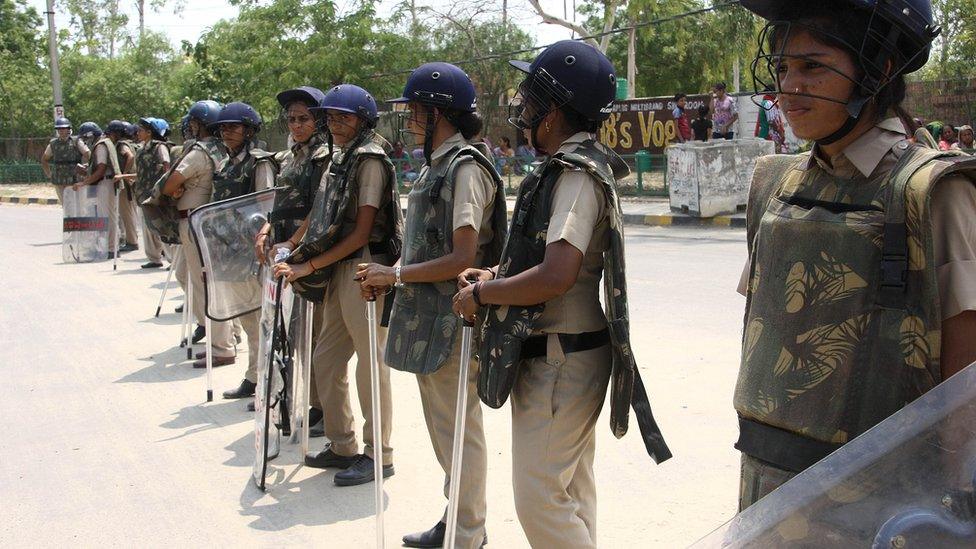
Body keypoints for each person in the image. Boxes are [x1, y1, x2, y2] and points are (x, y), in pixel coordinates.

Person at [734, 0, 976, 511]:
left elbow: (965, 369)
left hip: (885, 503)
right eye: (782, 67)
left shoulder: (931, 190)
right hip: (768, 481)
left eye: (812, 66)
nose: (789, 87)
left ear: (877, 69)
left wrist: (956, 500)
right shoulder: (773, 184)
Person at [453, 40, 671, 549]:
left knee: (539, 497)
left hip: (560, 362)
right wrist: (492, 276)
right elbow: (542, 264)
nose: (522, 111)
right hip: (565, 355)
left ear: (552, 112)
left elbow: (557, 275)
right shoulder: (571, 167)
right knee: (571, 488)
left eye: (529, 101)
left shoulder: (574, 176)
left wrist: (484, 298)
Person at [357, 62, 507, 549]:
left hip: (454, 324)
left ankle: (467, 534)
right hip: (430, 322)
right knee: (447, 433)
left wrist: (394, 273)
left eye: (416, 110)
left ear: (438, 111)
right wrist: (389, 273)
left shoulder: (464, 167)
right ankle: (458, 517)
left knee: (459, 431)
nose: (411, 119)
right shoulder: (437, 163)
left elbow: (463, 256)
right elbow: (426, 244)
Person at [272, 84, 401, 486]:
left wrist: (307, 265)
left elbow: (361, 229)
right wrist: (291, 243)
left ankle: (378, 453)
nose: (335, 123)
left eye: (344, 116)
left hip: (365, 268)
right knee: (326, 360)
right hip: (336, 267)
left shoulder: (370, 161)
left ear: (363, 119)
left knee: (370, 365)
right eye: (330, 116)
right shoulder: (339, 157)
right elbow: (321, 208)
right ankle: (343, 444)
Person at [203, 102, 277, 399]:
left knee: (261, 319)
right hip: (230, 253)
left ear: (248, 130)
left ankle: (265, 382)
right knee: (248, 320)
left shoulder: (259, 163)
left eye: (233, 127)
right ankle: (253, 376)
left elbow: (267, 206)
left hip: (253, 253)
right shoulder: (225, 163)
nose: (227, 132)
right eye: (222, 127)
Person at [162, 100, 234, 363]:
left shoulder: (198, 152)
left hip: (194, 222)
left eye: (193, 122)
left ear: (198, 124)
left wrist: (176, 191)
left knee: (204, 285)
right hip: (215, 221)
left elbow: (170, 185)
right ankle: (228, 335)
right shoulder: (224, 149)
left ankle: (220, 345)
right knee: (218, 282)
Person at [73, 120, 122, 260]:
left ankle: (112, 248)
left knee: (108, 218)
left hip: (105, 183)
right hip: (107, 182)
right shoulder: (104, 142)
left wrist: (83, 183)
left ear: (91, 135)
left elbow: (101, 169)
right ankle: (109, 247)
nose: (86, 141)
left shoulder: (100, 146)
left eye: (86, 138)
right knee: (108, 216)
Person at [127, 117, 172, 268]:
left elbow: (167, 166)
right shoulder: (141, 148)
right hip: (143, 192)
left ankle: (172, 260)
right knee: (147, 227)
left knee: (162, 225)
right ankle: (154, 258)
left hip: (156, 192)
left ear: (149, 132)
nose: (138, 133)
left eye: (141, 130)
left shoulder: (159, 147)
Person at [41, 117, 91, 204]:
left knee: (78, 205)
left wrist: (86, 168)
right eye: (59, 128)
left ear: (68, 129)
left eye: (63, 128)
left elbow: (88, 154)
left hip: (75, 180)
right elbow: (44, 159)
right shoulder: (53, 143)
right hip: (59, 180)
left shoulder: (76, 141)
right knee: (65, 206)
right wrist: (49, 174)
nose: (61, 130)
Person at [110, 121, 140, 253]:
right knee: (130, 212)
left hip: (126, 184)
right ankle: (131, 239)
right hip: (131, 182)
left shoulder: (122, 144)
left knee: (126, 213)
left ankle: (132, 242)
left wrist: (124, 174)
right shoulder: (131, 143)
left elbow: (130, 156)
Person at [755, 86, 786, 152]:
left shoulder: (766, 102)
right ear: (771, 92)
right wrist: (780, 132)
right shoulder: (769, 103)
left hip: (767, 137)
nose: (777, 94)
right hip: (769, 137)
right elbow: (771, 121)